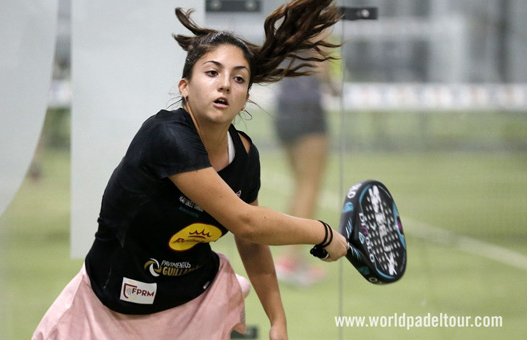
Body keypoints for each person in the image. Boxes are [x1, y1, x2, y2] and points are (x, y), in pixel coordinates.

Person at [33, 1, 346, 339]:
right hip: (108, 307)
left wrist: (277, 320)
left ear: (246, 98)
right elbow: (247, 222)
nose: (225, 84)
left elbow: (250, 243)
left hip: (196, 302)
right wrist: (323, 233)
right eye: (212, 73)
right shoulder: (166, 137)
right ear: (185, 87)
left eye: (238, 79)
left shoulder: (244, 155)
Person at [273, 54, 342, 287]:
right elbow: (322, 68)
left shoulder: (285, 26)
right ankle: (290, 259)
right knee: (310, 186)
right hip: (308, 110)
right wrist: (333, 87)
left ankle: (293, 258)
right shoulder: (316, 27)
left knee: (300, 185)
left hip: (283, 108)